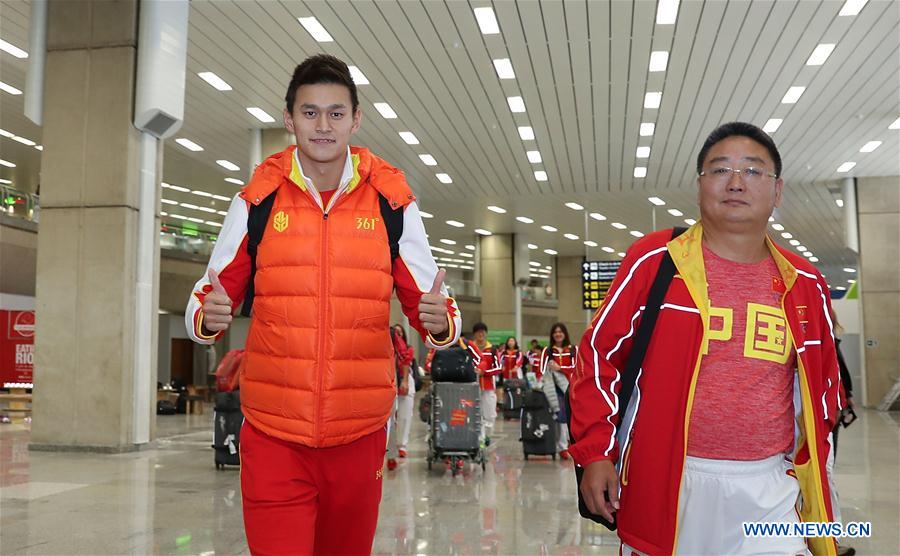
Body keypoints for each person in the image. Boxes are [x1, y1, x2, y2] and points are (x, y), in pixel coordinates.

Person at [184, 54, 462, 555]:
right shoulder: (258, 199)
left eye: (336, 113)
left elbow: (433, 300)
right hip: (273, 433)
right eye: (310, 112)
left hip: (358, 432)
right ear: (289, 119)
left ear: (356, 119)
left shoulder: (389, 199)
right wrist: (207, 316)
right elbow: (209, 295)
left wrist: (443, 322)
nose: (323, 125)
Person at [570, 122, 844, 556]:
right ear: (700, 186)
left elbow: (825, 388)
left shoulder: (805, 281)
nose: (736, 182)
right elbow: (598, 357)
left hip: (769, 488)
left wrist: (819, 481)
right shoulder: (655, 261)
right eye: (720, 170)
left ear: (777, 192)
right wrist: (596, 453)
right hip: (668, 482)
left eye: (754, 171)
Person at [540, 323, 578, 460]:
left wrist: (560, 368)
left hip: (573, 387)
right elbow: (542, 370)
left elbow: (578, 368)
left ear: (565, 334)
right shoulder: (548, 351)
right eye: (555, 332)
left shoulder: (573, 349)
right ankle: (562, 447)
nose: (558, 334)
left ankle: (571, 443)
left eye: (560, 332)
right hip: (555, 389)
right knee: (561, 417)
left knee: (574, 417)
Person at [465, 322, 501, 446]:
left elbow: (498, 368)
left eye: (483, 332)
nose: (480, 334)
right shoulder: (468, 349)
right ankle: (479, 439)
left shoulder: (492, 349)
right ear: (474, 334)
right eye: (478, 332)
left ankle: (486, 436)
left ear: (486, 333)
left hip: (488, 387)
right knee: (475, 414)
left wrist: (484, 372)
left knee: (490, 415)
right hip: (471, 386)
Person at [386, 326, 413, 471]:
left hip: (388, 381)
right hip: (368, 381)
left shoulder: (391, 334)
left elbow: (405, 357)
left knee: (390, 420)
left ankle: (390, 455)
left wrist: (404, 380)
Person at [393, 323, 418, 461]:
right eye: (395, 332)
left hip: (405, 381)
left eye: (399, 333)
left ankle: (402, 445)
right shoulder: (388, 348)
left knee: (404, 416)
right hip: (390, 382)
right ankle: (390, 445)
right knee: (391, 418)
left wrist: (405, 381)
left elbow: (406, 364)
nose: (397, 335)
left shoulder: (408, 349)